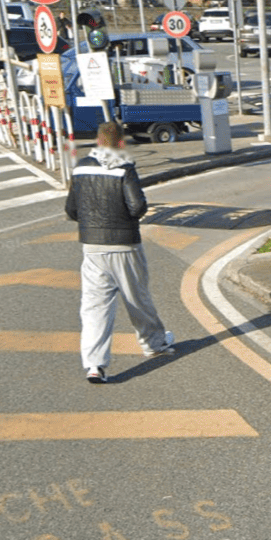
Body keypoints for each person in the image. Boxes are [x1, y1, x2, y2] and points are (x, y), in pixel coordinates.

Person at [64, 122, 173, 382]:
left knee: (94, 307)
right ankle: (153, 344)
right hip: (125, 244)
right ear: (121, 143)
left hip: (92, 247)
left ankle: (94, 365)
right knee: (137, 298)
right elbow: (137, 207)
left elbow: (71, 210)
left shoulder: (80, 167)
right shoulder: (124, 167)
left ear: (98, 141)